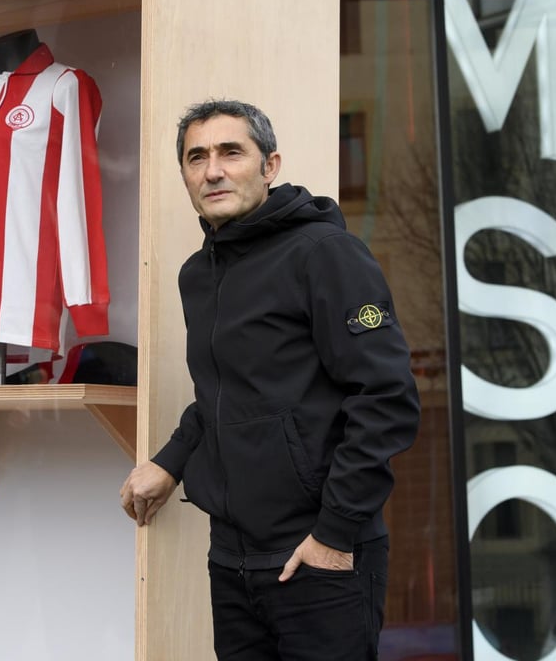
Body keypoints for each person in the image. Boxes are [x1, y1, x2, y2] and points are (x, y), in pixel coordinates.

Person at [119, 99, 420, 660]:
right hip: (232, 561)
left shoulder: (325, 254)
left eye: (231, 152)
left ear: (269, 166)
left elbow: (386, 397)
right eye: (196, 157)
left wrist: (334, 534)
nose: (213, 170)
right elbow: (223, 393)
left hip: (319, 555)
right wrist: (170, 461)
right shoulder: (198, 275)